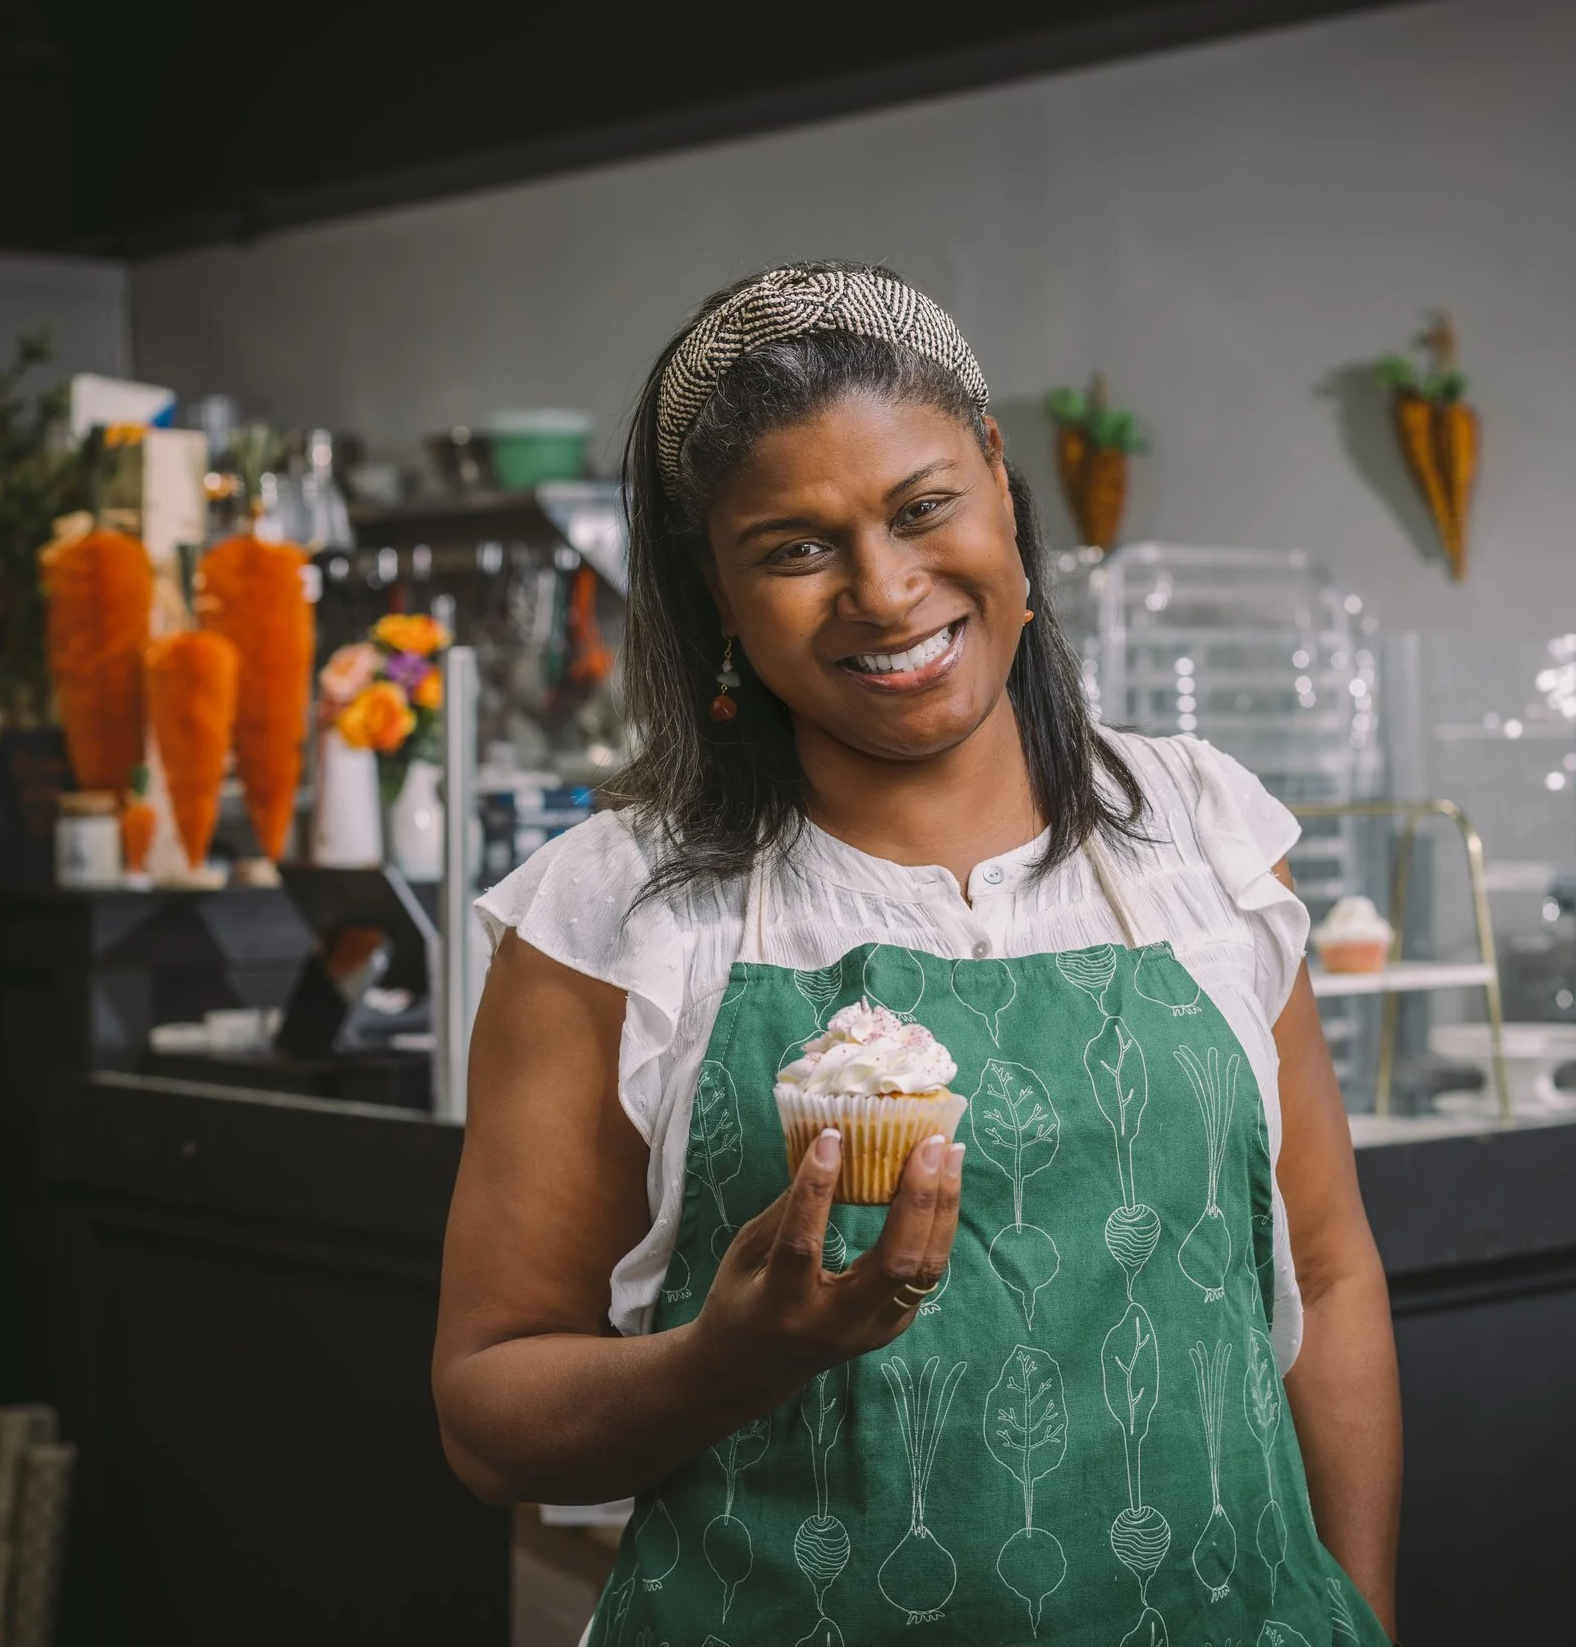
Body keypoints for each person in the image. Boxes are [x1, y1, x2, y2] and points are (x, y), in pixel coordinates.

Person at [436, 264, 1402, 1645]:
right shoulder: (613, 916)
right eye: (794, 548)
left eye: (921, 508)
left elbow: (1329, 1267)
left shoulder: (1202, 837)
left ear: (1002, 485)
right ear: (714, 585)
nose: (885, 594)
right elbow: (490, 1415)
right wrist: (726, 1363)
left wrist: (1359, 1613)